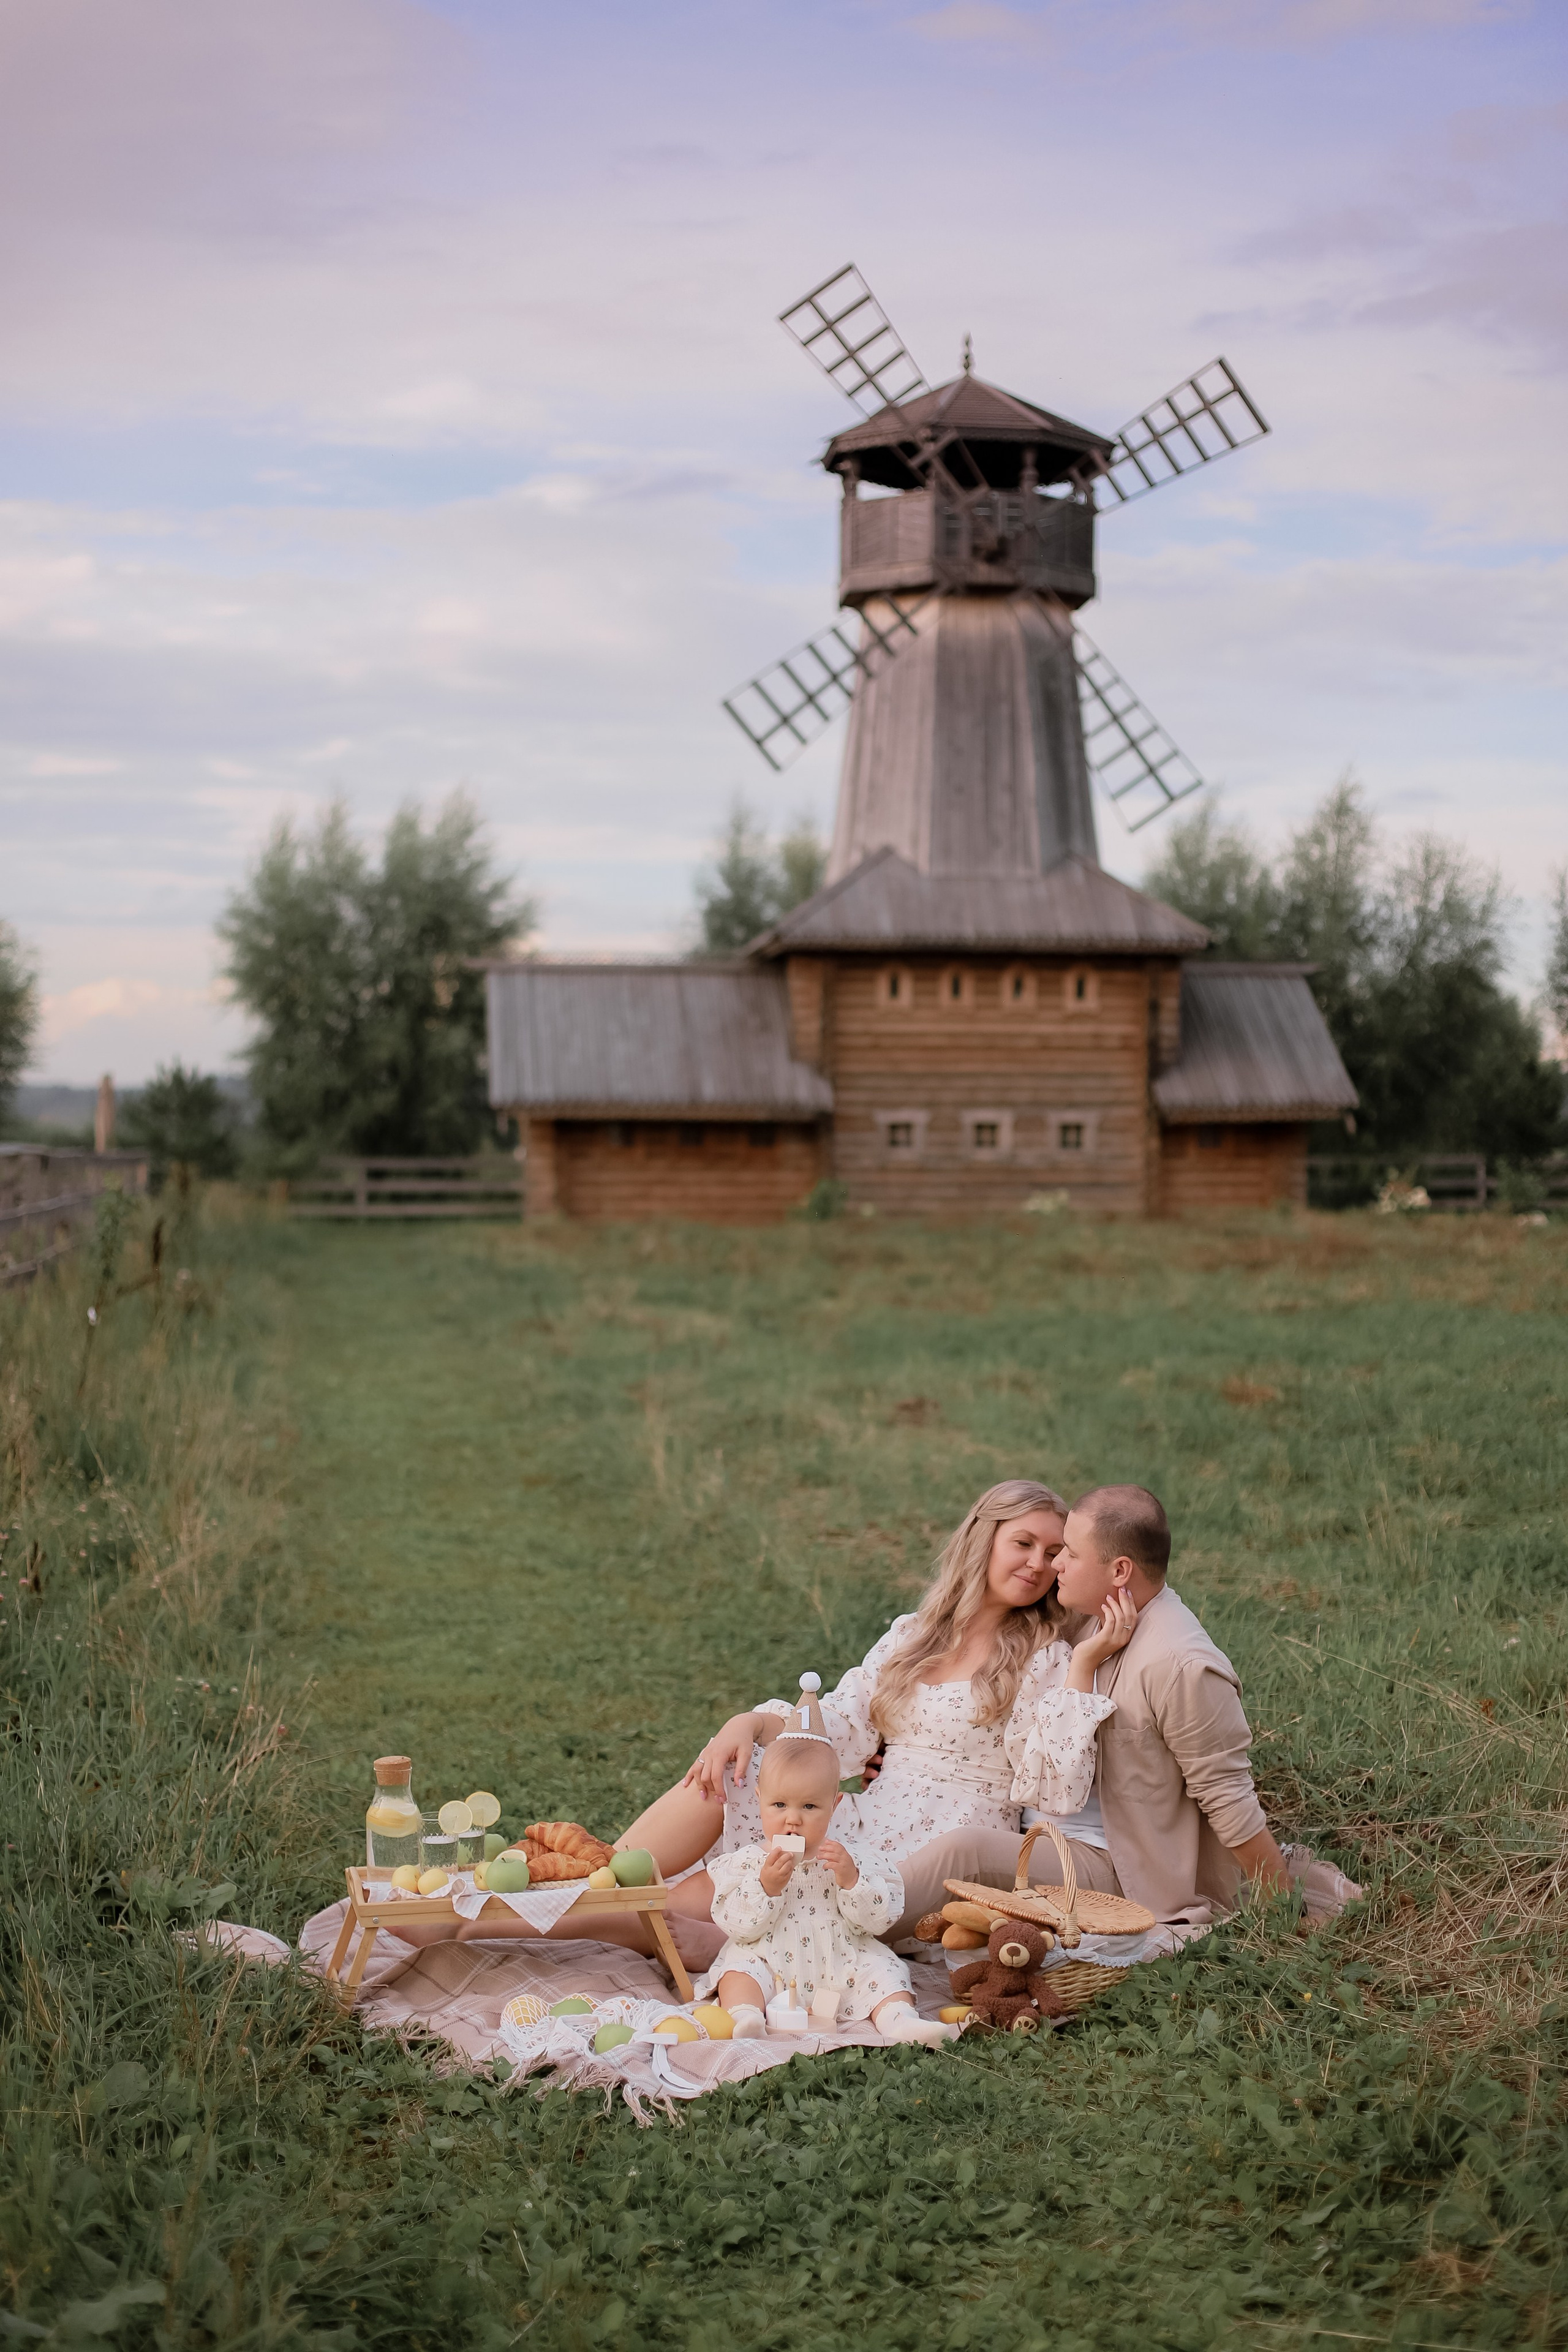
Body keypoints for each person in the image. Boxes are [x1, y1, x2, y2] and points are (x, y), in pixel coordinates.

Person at [618, 1477, 1139, 1921]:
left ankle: (566, 1915)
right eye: (1023, 1543)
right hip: (871, 1813)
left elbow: (1055, 1788)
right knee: (729, 1771)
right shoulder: (912, 1635)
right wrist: (750, 1723)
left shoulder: (1045, 1658)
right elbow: (838, 1730)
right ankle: (594, 1874)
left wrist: (1084, 1666)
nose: (1037, 1564)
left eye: (1053, 1554)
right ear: (984, 1541)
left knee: (707, 1901)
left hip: (944, 1838)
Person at [892, 1483, 1358, 1942]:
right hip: (1029, 1827)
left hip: (1114, 1865)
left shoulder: (1181, 1666)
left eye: (1069, 1553)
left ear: (1119, 1570)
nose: (1055, 1564)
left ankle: (837, 1925)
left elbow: (1229, 1797)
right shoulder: (1084, 1614)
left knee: (963, 1852)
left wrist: (1283, 1908)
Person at [704, 1706, 953, 2048]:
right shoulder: (748, 1862)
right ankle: (745, 2016)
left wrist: (852, 1881)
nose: (793, 1819)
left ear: (833, 1806)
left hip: (840, 1959)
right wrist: (766, 1888)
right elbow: (735, 1924)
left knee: (885, 1970)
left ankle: (900, 2021)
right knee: (740, 1970)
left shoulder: (853, 1859)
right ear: (759, 1800)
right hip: (771, 1957)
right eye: (779, 1805)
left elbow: (879, 1921)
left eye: (809, 1807)